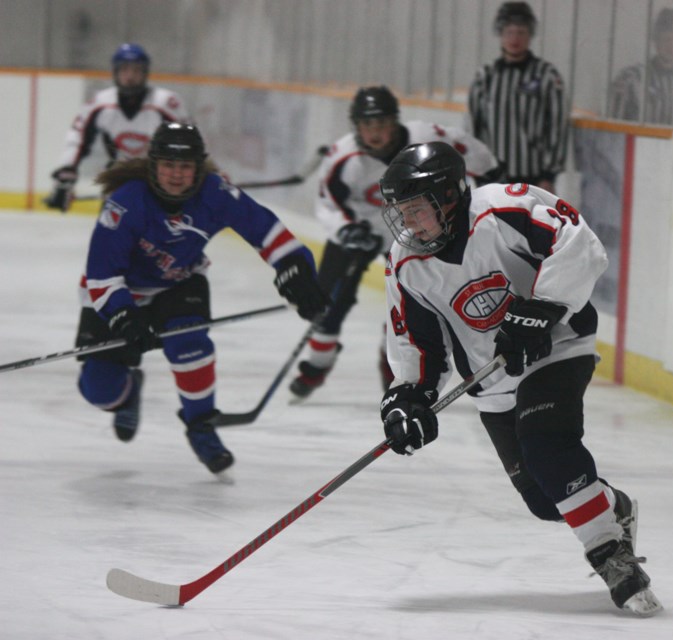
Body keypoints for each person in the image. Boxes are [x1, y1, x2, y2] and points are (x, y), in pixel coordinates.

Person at [376, 141, 663, 617]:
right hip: (492, 381)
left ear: (448, 196)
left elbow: (578, 242)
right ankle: (613, 505)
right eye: (401, 212)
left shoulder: (505, 207)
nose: (408, 222)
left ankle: (614, 560)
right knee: (546, 498)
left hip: (557, 346)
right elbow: (416, 342)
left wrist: (541, 310)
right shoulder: (406, 262)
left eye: (416, 209)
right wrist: (409, 396)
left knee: (546, 444)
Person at [75, 122, 327, 477]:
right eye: (168, 165)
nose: (177, 175)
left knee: (190, 346)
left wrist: (297, 270)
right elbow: (100, 276)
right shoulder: (125, 204)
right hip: (116, 293)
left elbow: (267, 231)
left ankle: (200, 426)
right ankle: (128, 394)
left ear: (198, 167)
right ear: (153, 166)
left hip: (179, 284)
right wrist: (124, 317)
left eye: (185, 166)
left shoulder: (215, 192)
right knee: (99, 391)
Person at [288, 85, 502, 400]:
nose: (375, 133)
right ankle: (320, 362)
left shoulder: (427, 137)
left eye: (382, 124)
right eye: (367, 125)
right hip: (360, 230)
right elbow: (329, 204)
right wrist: (346, 230)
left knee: (404, 305)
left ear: (395, 122)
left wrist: (489, 189)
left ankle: (398, 374)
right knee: (329, 298)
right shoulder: (343, 156)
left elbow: (477, 155)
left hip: (416, 230)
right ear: (356, 126)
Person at [44, 43, 191, 213]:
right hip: (118, 177)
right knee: (110, 235)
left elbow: (189, 144)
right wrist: (66, 177)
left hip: (160, 179)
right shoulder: (100, 104)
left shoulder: (166, 103)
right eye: (125, 70)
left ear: (145, 73)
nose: (130, 76)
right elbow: (77, 140)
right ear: (115, 72)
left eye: (136, 70)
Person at [467, 2, 567, 193]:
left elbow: (557, 126)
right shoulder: (486, 76)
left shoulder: (546, 75)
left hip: (533, 178)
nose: (515, 38)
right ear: (500, 35)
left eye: (521, 32)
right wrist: (477, 168)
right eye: (509, 32)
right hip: (492, 177)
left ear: (530, 35)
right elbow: (474, 126)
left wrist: (548, 175)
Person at [608, 7, 673, 125]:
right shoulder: (631, 77)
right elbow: (614, 124)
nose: (671, 45)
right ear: (656, 41)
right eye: (666, 39)